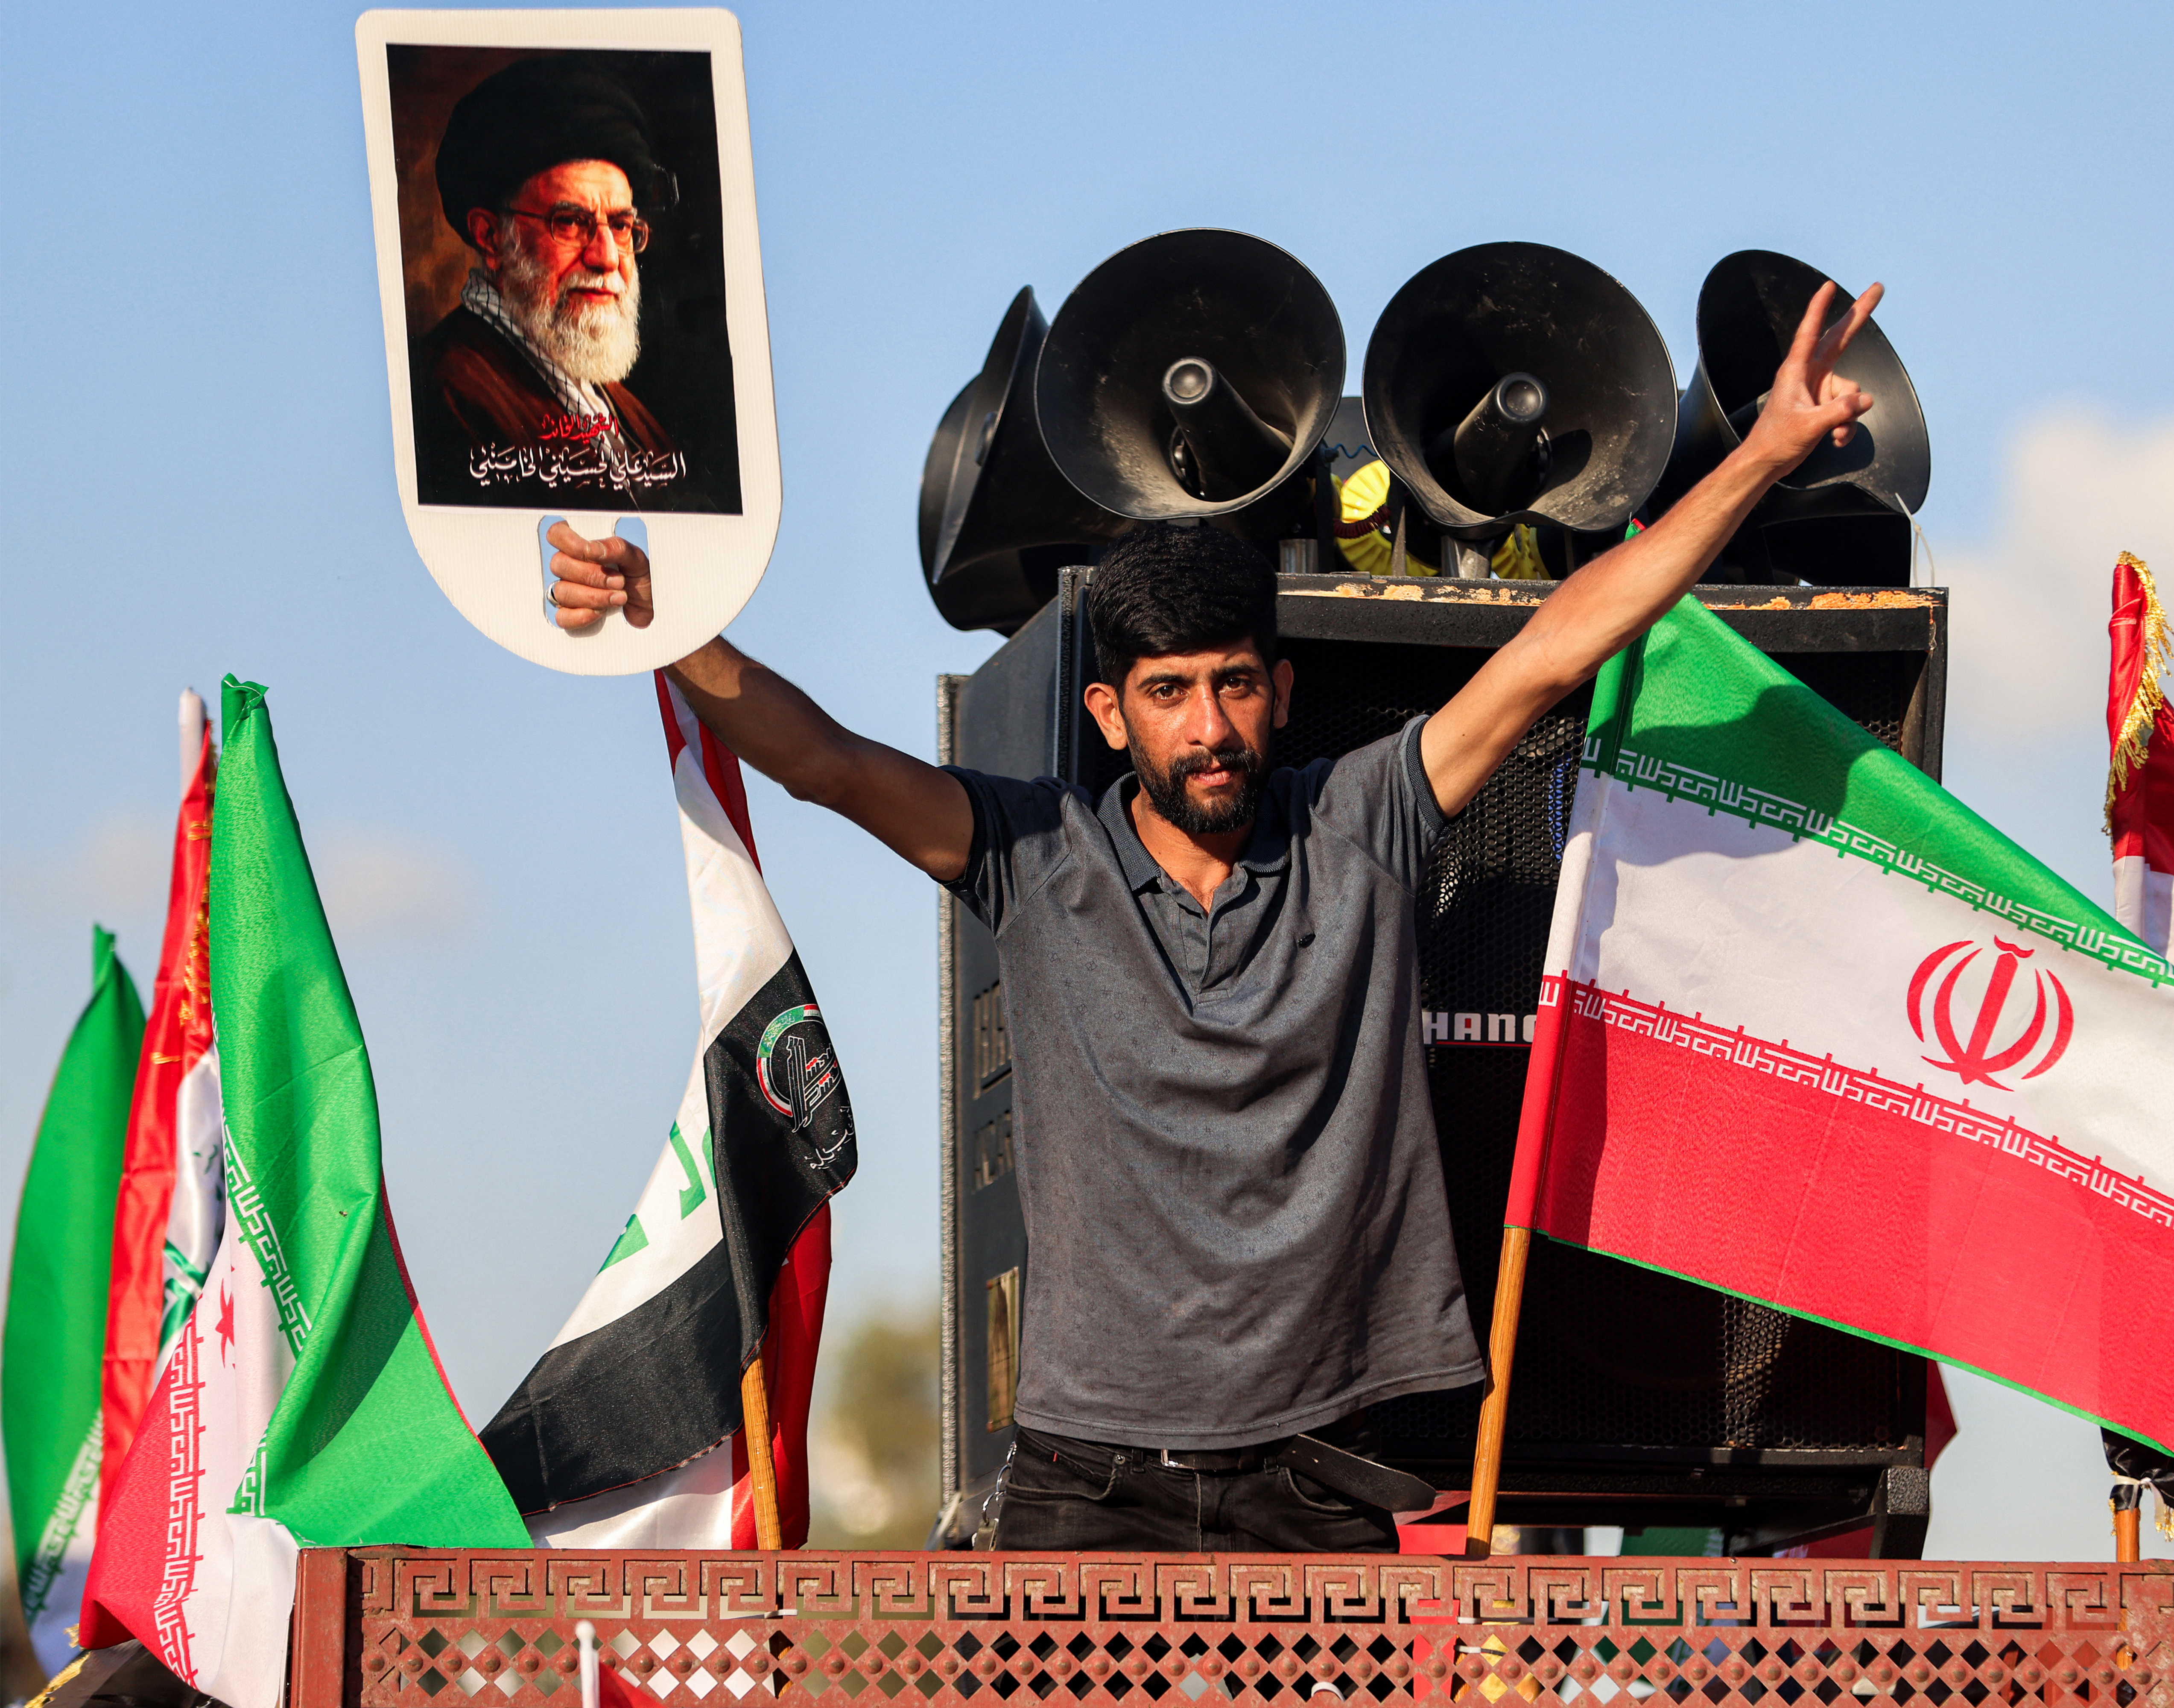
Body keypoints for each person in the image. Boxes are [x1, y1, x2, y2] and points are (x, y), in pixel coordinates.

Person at [549, 282, 1885, 1550]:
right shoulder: (1032, 852)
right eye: (1169, 693)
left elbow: (1556, 646)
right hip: (1085, 1473)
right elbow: (828, 763)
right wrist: (669, 628)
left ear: (1280, 692)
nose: (1208, 728)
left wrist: (1761, 452)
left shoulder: (1363, 820)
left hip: (1319, 1466)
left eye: (1234, 685)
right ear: (1107, 713)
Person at [411, 57, 686, 509]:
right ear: (492, 237)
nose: (606, 258)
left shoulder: (609, 396)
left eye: (621, 226)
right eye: (571, 222)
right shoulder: (447, 392)